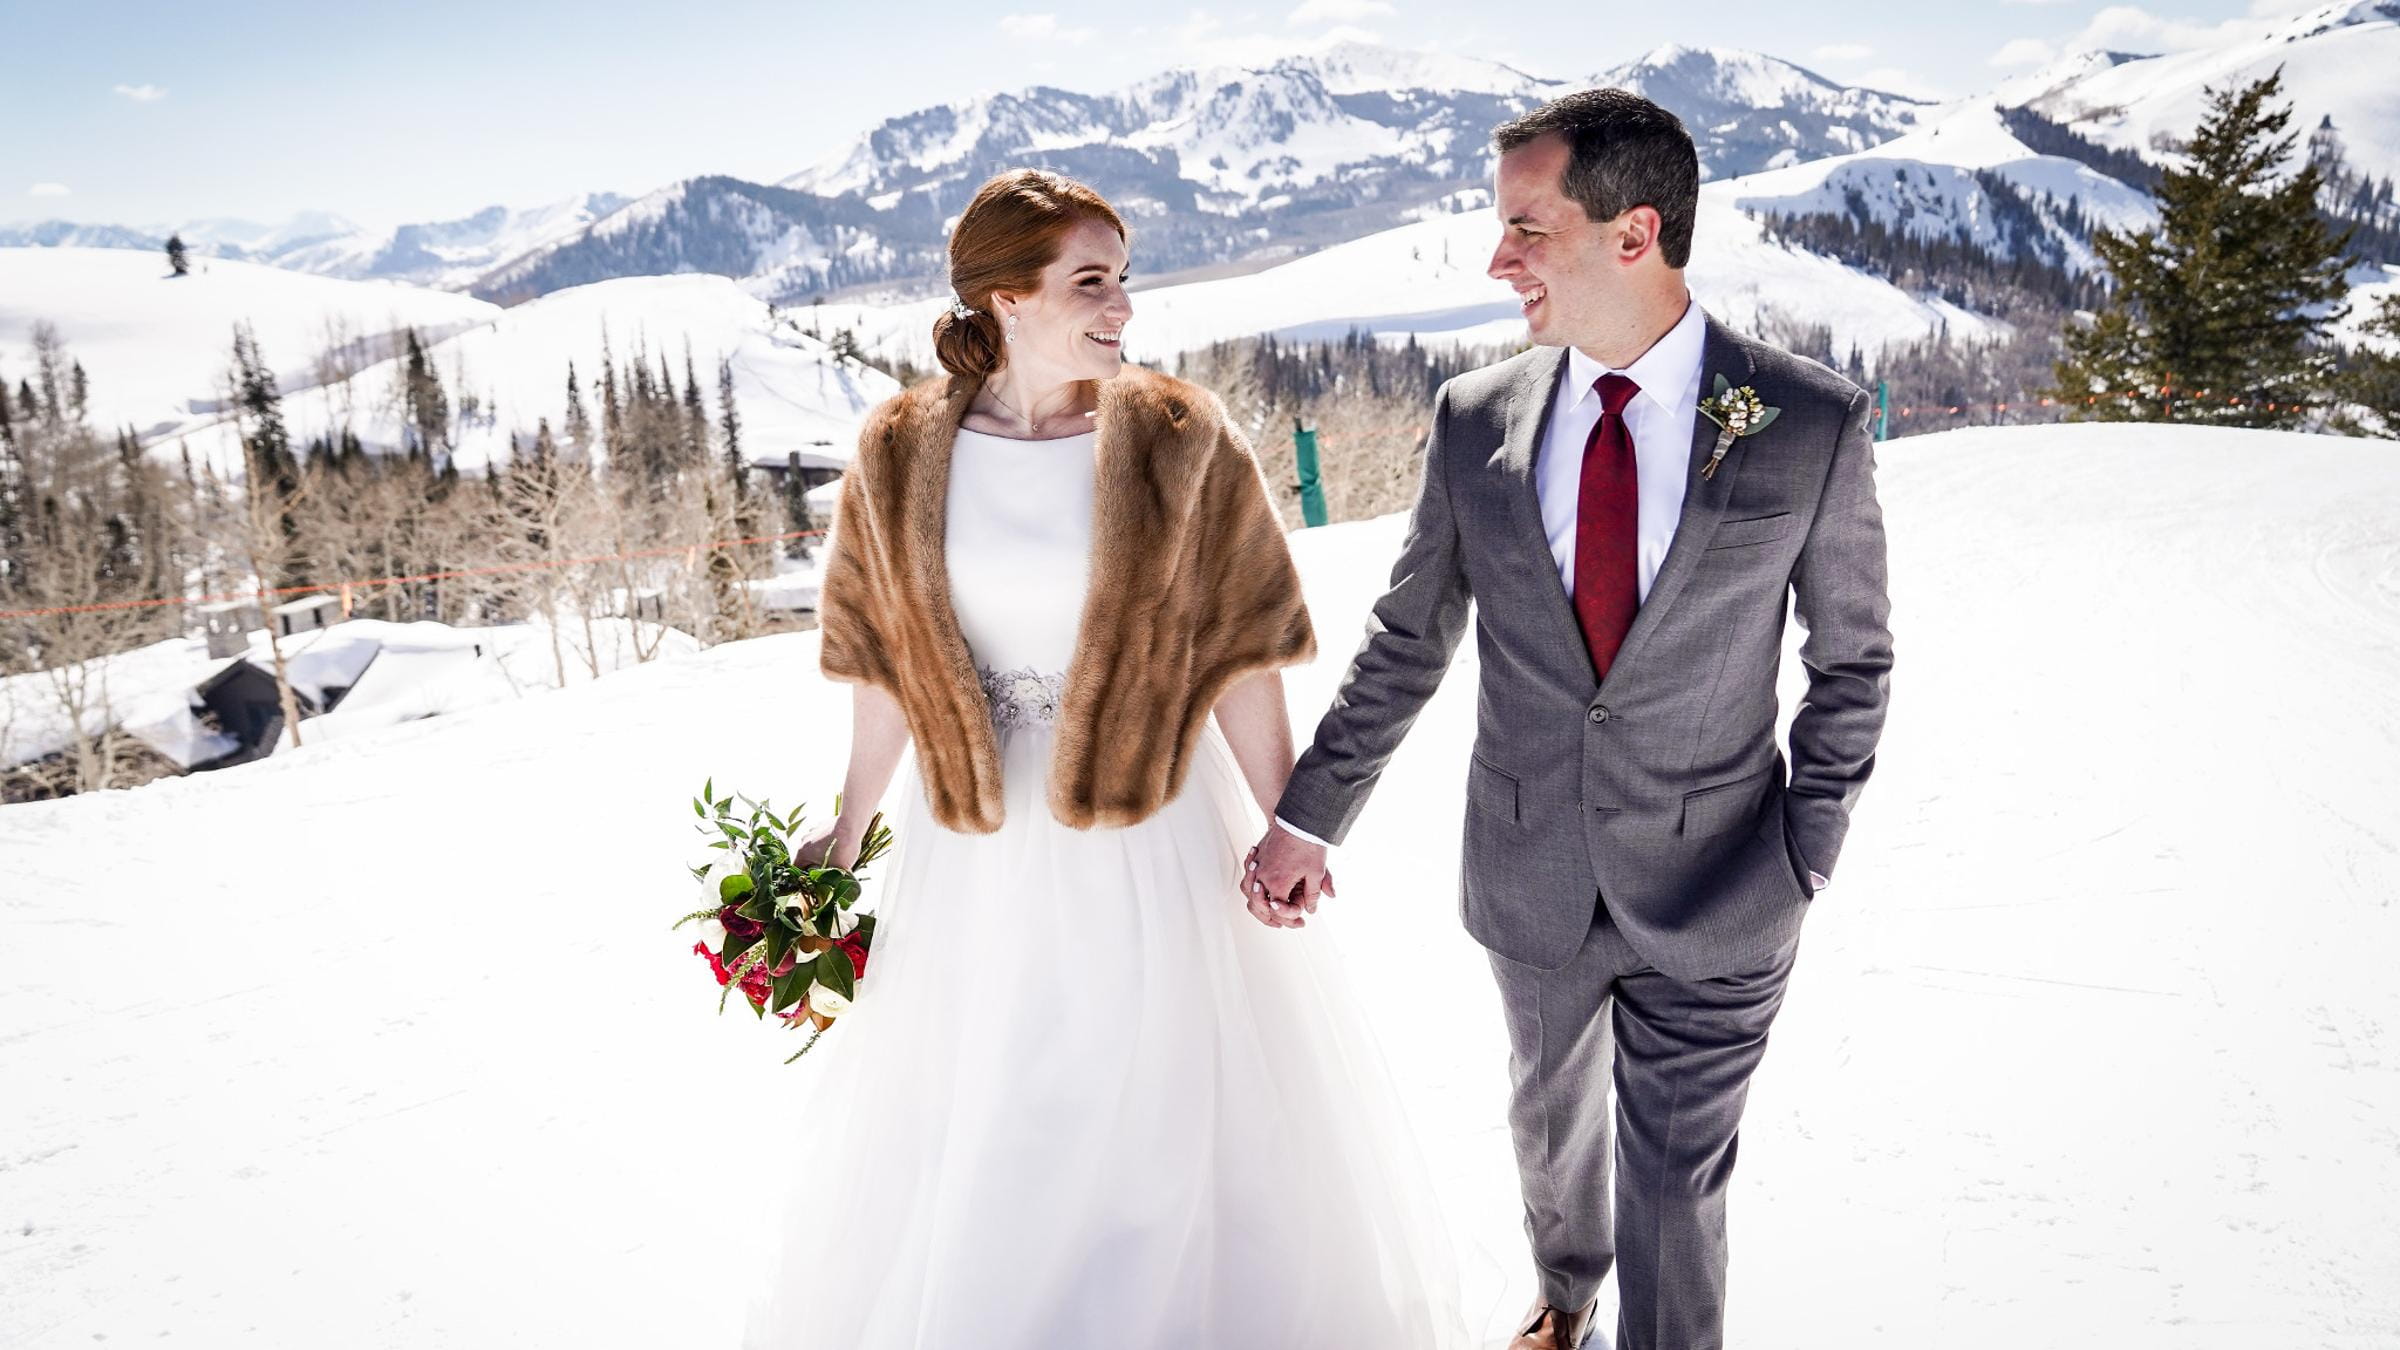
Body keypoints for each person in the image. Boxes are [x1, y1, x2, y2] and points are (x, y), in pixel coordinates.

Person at [742, 168, 1467, 1350]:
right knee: (993, 1109)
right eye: (1092, 281)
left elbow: (1242, 654)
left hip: (1153, 830)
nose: (1123, 305)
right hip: (972, 848)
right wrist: (846, 828)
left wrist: (1288, 825)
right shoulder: (898, 454)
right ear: (1006, 299)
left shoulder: (1181, 441)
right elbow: (884, 666)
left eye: (1124, 278)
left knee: (1154, 1119)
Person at [1249, 89, 1896, 1350]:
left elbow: (1854, 662)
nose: (1499, 259)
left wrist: (1804, 853)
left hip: (1723, 882)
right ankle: (1563, 1300)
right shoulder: (1473, 419)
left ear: (1633, 233)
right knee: (1554, 1140)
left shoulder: (1805, 423)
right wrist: (1305, 821)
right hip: (1531, 867)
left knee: (1673, 1182)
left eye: (1526, 228)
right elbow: (1405, 643)